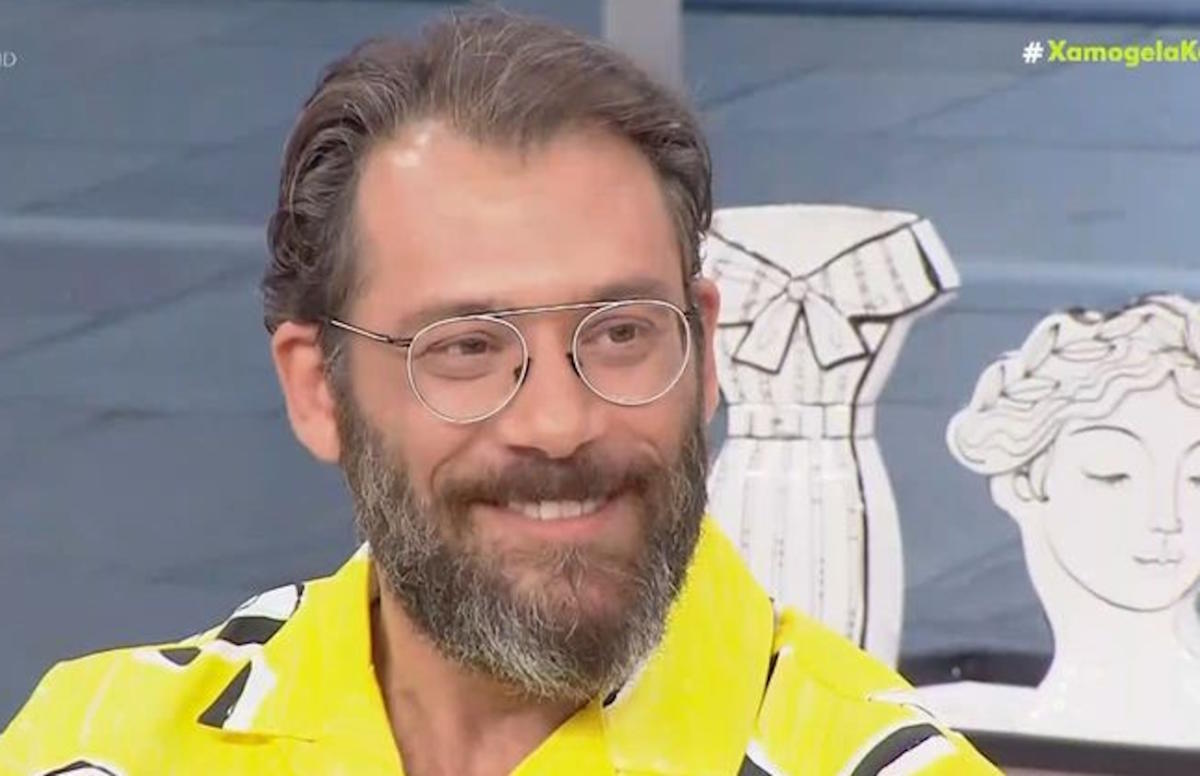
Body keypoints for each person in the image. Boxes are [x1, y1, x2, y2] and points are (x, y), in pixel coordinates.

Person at [0, 10, 998, 775]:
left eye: (620, 332)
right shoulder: (97, 744)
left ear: (703, 350)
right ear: (318, 390)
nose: (559, 423)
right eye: (467, 347)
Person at [910, 295, 1200, 747]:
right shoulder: (918, 735)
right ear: (1022, 482)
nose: (1167, 517)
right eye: (1113, 473)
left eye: (1198, 479)